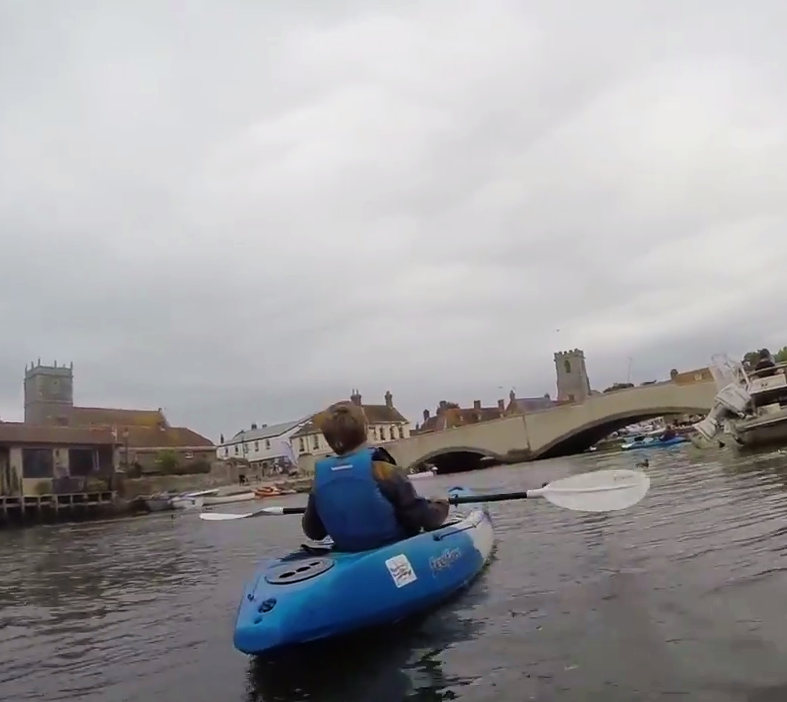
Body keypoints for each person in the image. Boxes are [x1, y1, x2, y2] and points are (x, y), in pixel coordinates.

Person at [301, 401, 450, 552]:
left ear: (328, 439)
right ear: (366, 429)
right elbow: (425, 519)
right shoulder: (384, 471)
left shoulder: (319, 482)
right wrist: (441, 504)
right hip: (391, 550)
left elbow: (314, 531)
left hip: (347, 552)